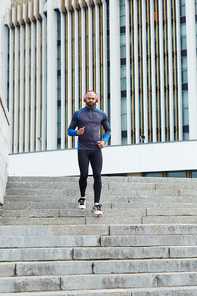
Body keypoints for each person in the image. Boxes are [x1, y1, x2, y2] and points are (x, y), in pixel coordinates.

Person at [68, 90, 111, 216]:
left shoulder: (101, 114)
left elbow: (108, 130)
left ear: (96, 100)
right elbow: (69, 130)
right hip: (83, 148)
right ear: (84, 99)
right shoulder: (78, 113)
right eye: (89, 98)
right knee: (84, 174)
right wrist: (77, 133)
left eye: (93, 98)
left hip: (96, 149)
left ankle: (96, 204)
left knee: (97, 174)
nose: (91, 100)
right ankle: (82, 197)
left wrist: (104, 141)